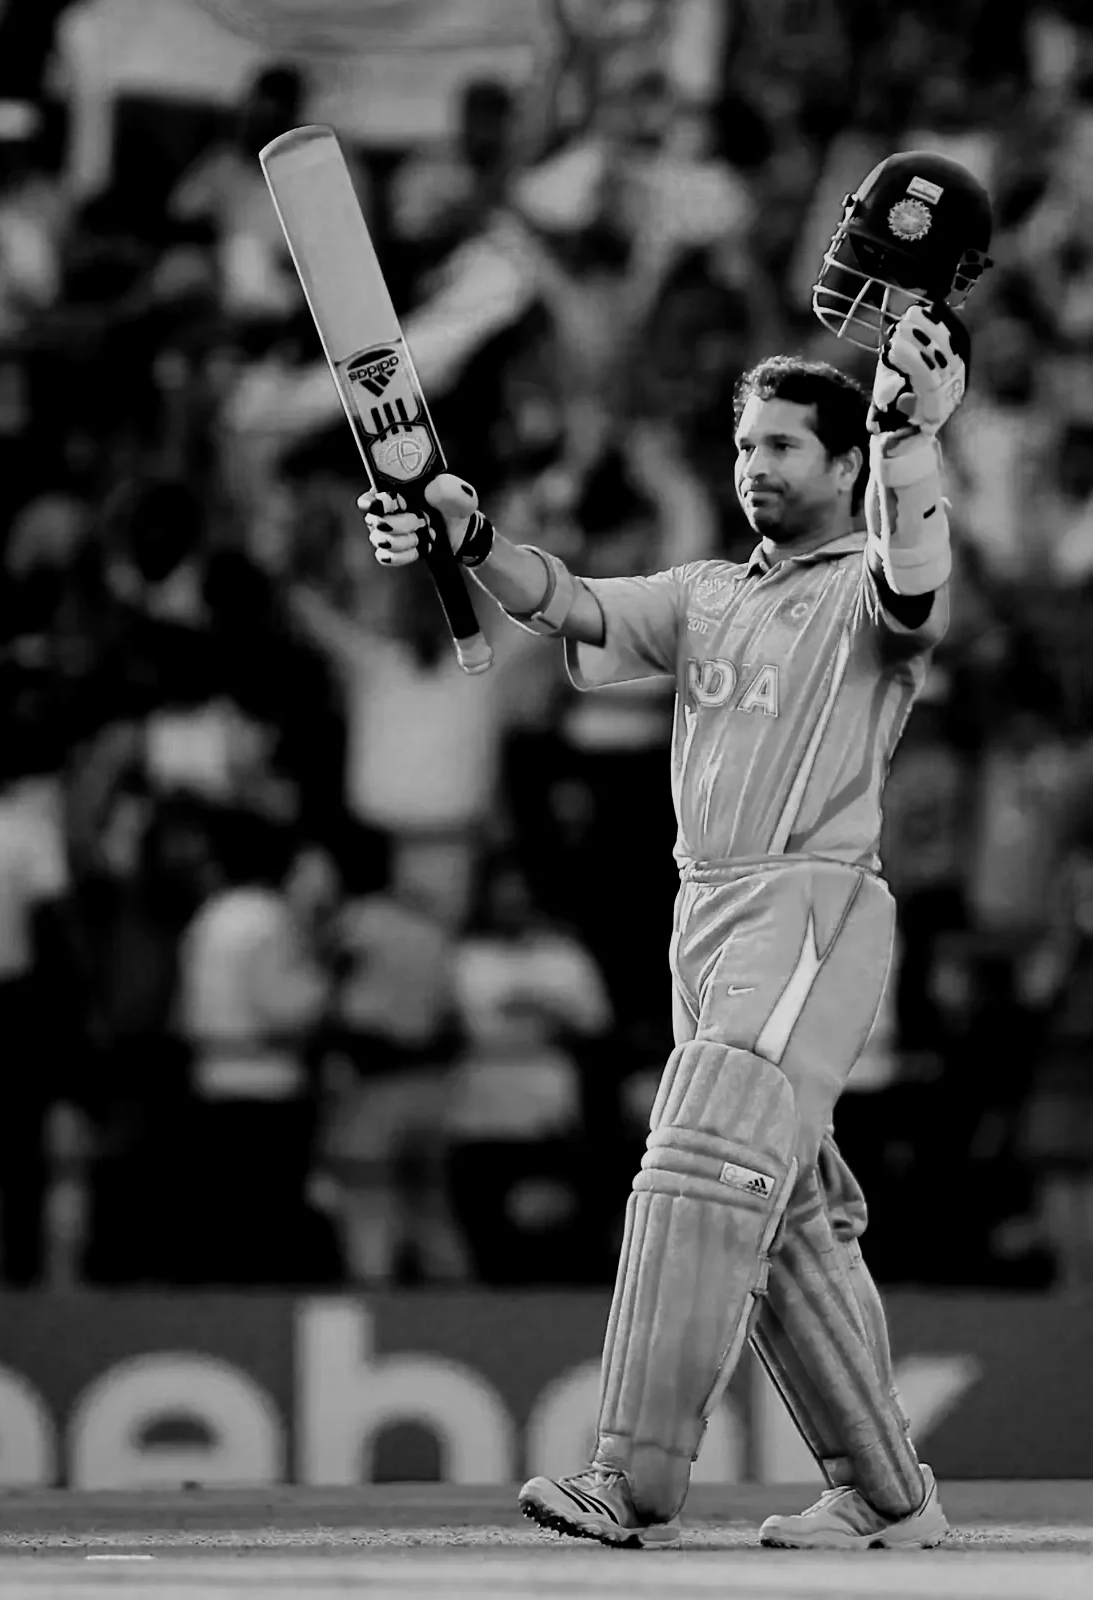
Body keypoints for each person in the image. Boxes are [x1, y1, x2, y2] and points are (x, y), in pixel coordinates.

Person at [353, 183, 981, 1545]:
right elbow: (560, 597)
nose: (754, 464)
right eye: (743, 442)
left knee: (698, 1165)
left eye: (781, 447)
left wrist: (909, 444)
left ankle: (628, 1480)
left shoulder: (865, 586)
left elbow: (916, 577)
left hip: (809, 906)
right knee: (788, 1222)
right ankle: (885, 1495)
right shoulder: (706, 593)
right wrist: (460, 528)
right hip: (707, 919)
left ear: (835, 462)